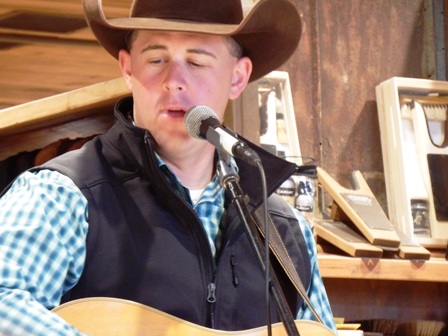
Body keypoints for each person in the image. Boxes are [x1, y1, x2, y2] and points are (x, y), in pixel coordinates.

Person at [0, 0, 337, 334]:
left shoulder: (288, 231)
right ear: (128, 69)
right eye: (157, 59)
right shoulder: (62, 195)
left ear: (237, 77)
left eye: (197, 61)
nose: (174, 80)